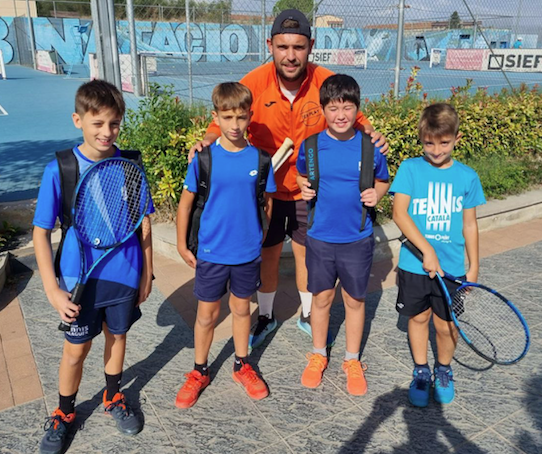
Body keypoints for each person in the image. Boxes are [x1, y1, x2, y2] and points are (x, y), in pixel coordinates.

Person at [189, 9, 389, 351]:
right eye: (283, 47)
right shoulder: (254, 82)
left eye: (298, 47)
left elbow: (356, 118)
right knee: (266, 254)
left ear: (311, 45)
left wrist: (373, 133)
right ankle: (266, 315)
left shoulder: (325, 81)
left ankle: (308, 315)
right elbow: (220, 123)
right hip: (266, 191)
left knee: (305, 254)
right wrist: (205, 141)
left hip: (307, 191)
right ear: (270, 45)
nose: (291, 55)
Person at [33, 79, 154, 454]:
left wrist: (146, 273)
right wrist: (53, 289)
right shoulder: (61, 168)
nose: (107, 131)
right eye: (97, 123)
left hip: (124, 276)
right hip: (78, 280)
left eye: (114, 123)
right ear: (78, 120)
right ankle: (64, 412)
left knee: (117, 338)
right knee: (76, 350)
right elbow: (40, 233)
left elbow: (144, 224)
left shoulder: (131, 165)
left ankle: (113, 396)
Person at [175, 82, 276, 408]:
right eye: (228, 117)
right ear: (215, 116)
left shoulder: (261, 159)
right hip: (211, 252)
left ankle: (242, 364)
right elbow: (185, 204)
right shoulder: (204, 159)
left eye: (241, 117)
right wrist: (181, 244)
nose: (235, 125)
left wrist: (260, 234)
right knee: (206, 315)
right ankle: (199, 370)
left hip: (246, 253)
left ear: (250, 116)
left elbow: (267, 201)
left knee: (242, 309)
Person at [296, 74, 390, 395]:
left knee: (354, 300)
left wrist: (378, 193)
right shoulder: (311, 146)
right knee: (321, 299)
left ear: (357, 109)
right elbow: (300, 174)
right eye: (333, 108)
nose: (340, 115)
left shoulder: (369, 146)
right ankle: (318, 353)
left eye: (348, 108)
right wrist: (303, 187)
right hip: (320, 238)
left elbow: (383, 180)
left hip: (357, 238)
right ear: (322, 109)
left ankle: (352, 359)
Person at [390, 103, 486, 407]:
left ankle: (443, 370)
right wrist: (427, 250)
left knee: (446, 325)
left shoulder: (467, 177)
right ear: (421, 138)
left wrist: (473, 265)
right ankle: (421, 371)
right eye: (429, 143)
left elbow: (470, 225)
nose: (436, 150)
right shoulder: (410, 169)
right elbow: (399, 213)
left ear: (457, 138)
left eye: (444, 143)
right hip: (414, 265)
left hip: (452, 269)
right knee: (418, 319)